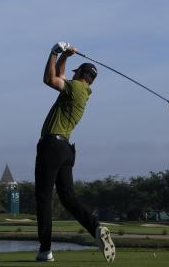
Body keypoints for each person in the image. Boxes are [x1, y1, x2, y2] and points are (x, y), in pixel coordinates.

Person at [34, 42, 115, 263]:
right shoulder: (82, 91)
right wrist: (66, 56)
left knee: (43, 198)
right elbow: (60, 75)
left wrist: (53, 52)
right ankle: (96, 227)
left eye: (75, 72)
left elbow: (50, 79)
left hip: (51, 146)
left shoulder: (75, 88)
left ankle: (45, 249)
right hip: (66, 150)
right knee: (68, 198)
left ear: (80, 74)